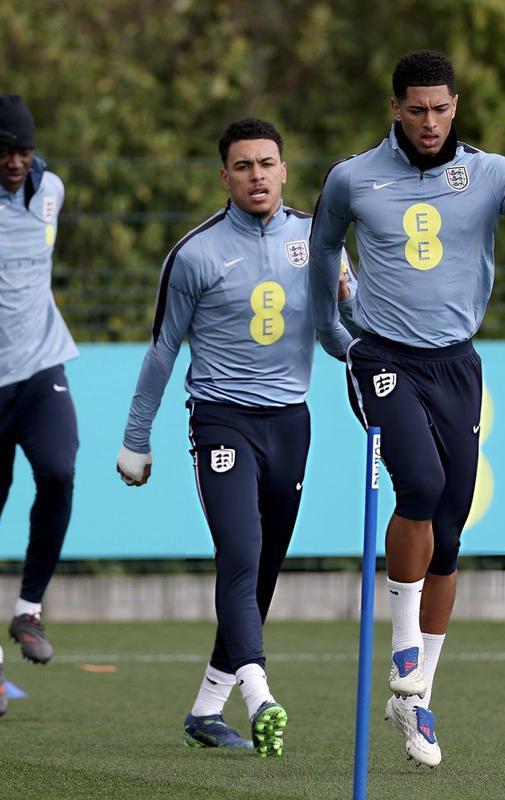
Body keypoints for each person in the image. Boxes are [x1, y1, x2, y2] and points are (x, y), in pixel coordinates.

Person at [309, 50, 505, 767]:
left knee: (451, 531)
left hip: (456, 363)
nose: (429, 122)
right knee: (422, 486)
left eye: (440, 109)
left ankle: (417, 698)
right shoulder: (353, 177)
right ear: (395, 108)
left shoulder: (491, 173)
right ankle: (402, 646)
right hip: (382, 356)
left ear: (455, 106)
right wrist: (332, 333)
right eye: (416, 110)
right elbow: (323, 248)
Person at [117, 118, 355, 756]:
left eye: (267, 163)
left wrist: (346, 300)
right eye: (243, 166)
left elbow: (339, 337)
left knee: (263, 569)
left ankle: (205, 712)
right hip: (222, 419)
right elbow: (163, 350)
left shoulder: (318, 237)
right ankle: (260, 697)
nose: (257, 176)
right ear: (225, 177)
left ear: (284, 170)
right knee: (240, 553)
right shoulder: (195, 253)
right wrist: (136, 439)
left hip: (291, 423)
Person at [0, 95, 79, 701]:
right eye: (5, 152)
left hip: (40, 367)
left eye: (24, 151)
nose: (15, 163)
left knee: (58, 471)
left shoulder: (50, 189)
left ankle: (28, 609)